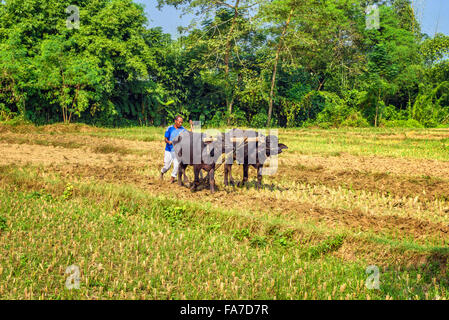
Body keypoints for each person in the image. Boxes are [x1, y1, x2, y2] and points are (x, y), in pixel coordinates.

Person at [160, 116, 193, 183]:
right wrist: (169, 142)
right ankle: (162, 172)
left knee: (177, 165)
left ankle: (172, 178)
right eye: (179, 122)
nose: (180, 124)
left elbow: (190, 133)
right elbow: (165, 139)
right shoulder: (169, 128)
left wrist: (191, 125)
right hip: (169, 150)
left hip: (177, 151)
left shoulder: (183, 129)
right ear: (175, 121)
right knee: (167, 166)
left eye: (181, 122)